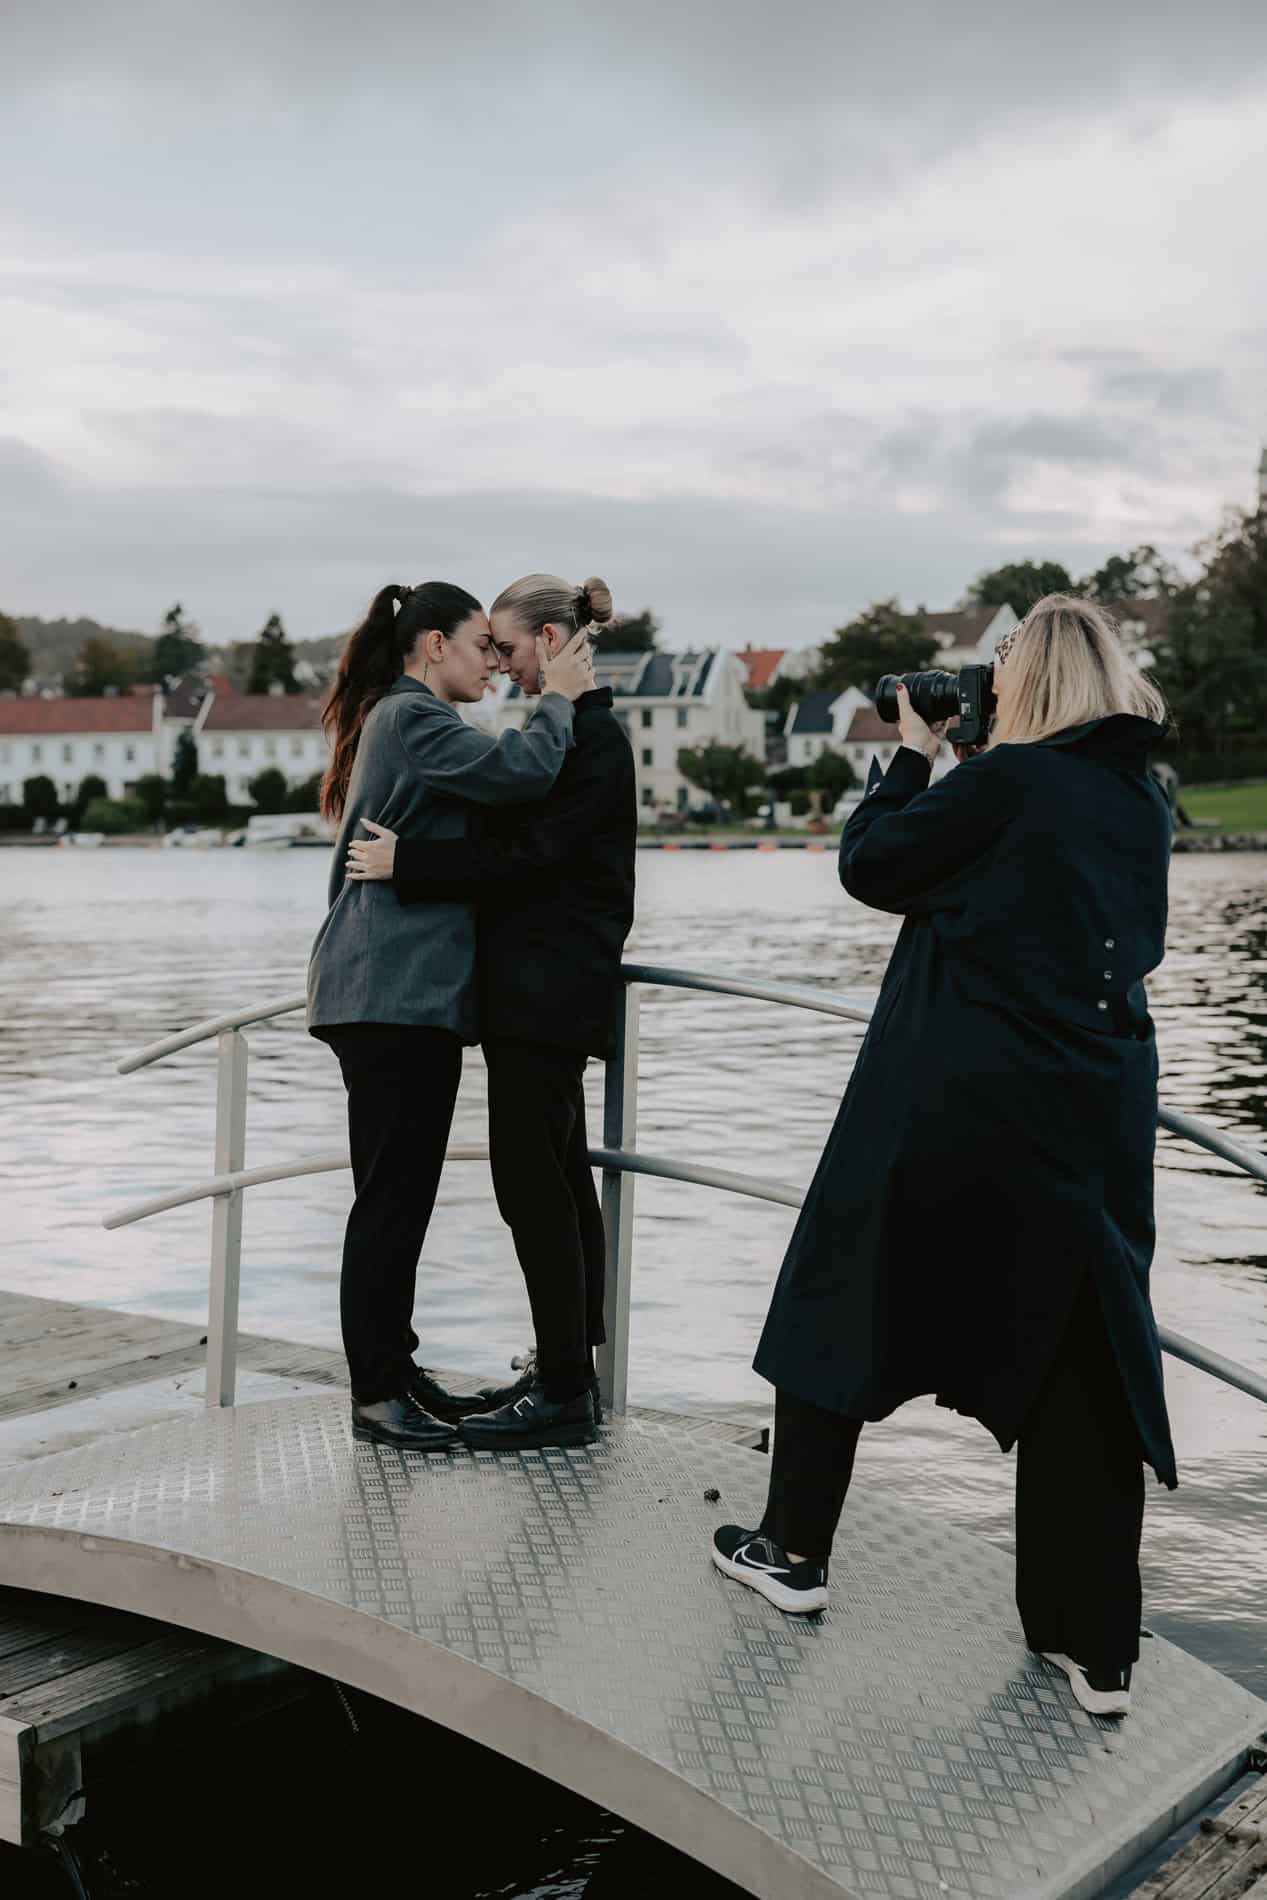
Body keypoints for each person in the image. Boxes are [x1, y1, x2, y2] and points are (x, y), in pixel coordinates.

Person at [711, 594, 1176, 1722]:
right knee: (1080, 1360)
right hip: (1092, 1112)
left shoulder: (1002, 785)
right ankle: (1092, 1649)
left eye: (1001, 669)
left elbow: (874, 866)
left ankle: (792, 1553)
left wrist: (913, 755)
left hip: (957, 1101)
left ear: (1029, 683)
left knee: (841, 1290)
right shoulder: (1139, 798)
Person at [345, 573, 637, 1451]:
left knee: (535, 1183)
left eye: (507, 648)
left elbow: (531, 850)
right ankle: (555, 1374)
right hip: (522, 994)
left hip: (545, 992)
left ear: (550, 642)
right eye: (488, 649)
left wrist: (417, 864)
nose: (500, 666)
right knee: (538, 1180)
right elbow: (509, 831)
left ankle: (560, 1385)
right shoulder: (533, 728)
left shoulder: (588, 737)